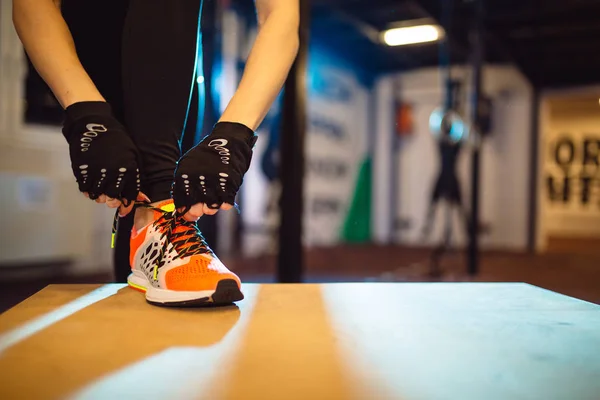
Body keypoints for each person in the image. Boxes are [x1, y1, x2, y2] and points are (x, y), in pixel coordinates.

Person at [12, 0, 299, 306]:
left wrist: (233, 135)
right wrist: (87, 115)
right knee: (159, 182)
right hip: (84, 40)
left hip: (171, 47)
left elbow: (280, 13)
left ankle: (154, 237)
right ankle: (156, 224)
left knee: (158, 188)